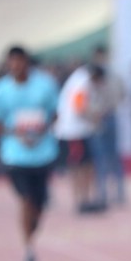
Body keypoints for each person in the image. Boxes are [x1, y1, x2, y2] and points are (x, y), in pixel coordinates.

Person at [0, 46, 59, 261]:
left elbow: (55, 113)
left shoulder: (45, 85)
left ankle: (31, 230)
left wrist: (40, 129)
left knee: (40, 205)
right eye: (12, 62)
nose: (16, 66)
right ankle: (28, 248)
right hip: (15, 156)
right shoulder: (0, 90)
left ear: (27, 62)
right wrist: (16, 133)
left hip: (43, 153)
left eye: (20, 61)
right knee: (25, 200)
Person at [54, 61, 99, 212]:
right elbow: (79, 107)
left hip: (79, 130)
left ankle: (84, 199)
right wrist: (93, 117)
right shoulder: (83, 82)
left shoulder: (78, 79)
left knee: (86, 165)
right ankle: (80, 200)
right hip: (75, 131)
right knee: (79, 166)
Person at [88, 46, 126, 206]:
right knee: (103, 158)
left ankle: (114, 192)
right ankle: (107, 192)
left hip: (106, 118)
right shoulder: (92, 75)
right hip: (101, 119)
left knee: (108, 157)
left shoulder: (111, 76)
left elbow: (122, 94)